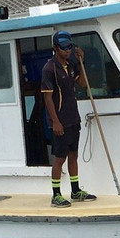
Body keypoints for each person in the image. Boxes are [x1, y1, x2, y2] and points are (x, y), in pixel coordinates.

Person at [40, 30, 96, 207]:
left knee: (73, 155)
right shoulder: (49, 69)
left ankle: (75, 190)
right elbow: (47, 98)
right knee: (59, 158)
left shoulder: (72, 64)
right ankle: (56, 195)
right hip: (60, 121)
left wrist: (81, 62)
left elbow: (83, 84)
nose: (68, 50)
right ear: (56, 48)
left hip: (73, 118)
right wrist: (55, 121)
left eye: (70, 46)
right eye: (64, 47)